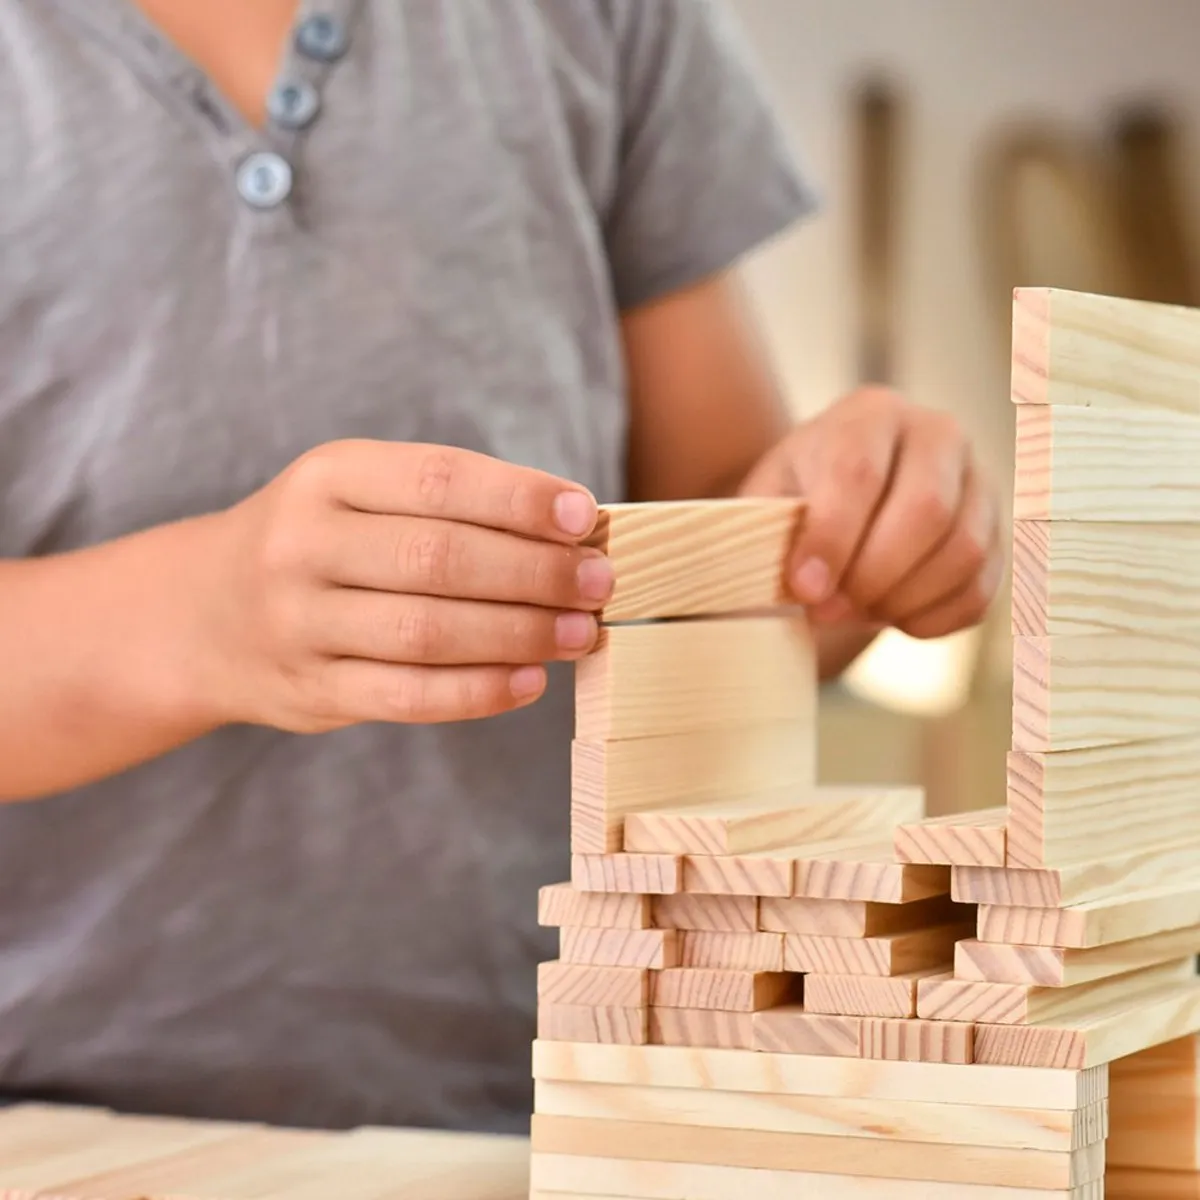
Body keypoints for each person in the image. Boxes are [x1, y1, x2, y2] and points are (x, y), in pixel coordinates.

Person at [0, 0, 1002, 1136]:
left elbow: (736, 578)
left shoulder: (604, 23)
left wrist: (856, 533)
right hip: (49, 1121)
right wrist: (198, 617)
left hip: (564, 1098)